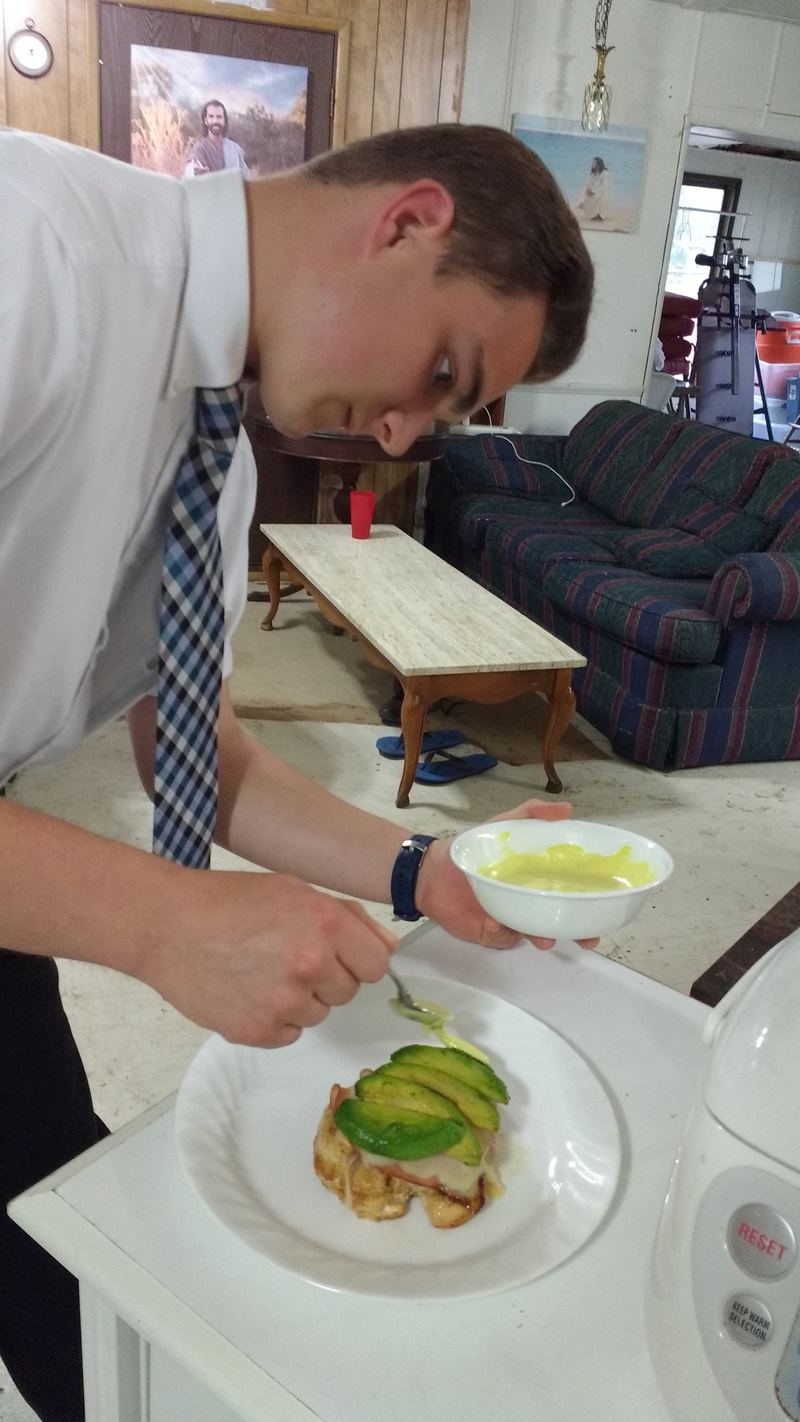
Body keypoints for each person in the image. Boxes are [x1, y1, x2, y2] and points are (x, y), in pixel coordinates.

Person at [0, 121, 593, 1421]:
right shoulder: (30, 254)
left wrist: (421, 868)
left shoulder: (212, 455)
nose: (399, 430)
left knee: (68, 1242)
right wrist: (159, 918)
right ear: (406, 220)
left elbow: (195, 757)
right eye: (441, 371)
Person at [185, 98, 248, 176]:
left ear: (224, 120)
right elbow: (192, 165)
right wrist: (194, 170)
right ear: (205, 120)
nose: (215, 121)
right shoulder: (199, 149)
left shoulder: (235, 149)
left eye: (219, 117)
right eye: (211, 116)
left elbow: (245, 179)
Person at [577, 155, 611, 223]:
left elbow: (604, 187)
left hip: (604, 194)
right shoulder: (592, 175)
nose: (592, 165)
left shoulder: (606, 174)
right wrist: (582, 200)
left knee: (599, 197)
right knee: (586, 198)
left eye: (594, 163)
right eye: (592, 163)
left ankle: (600, 215)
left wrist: (593, 191)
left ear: (598, 164)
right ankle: (593, 215)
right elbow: (586, 186)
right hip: (594, 192)